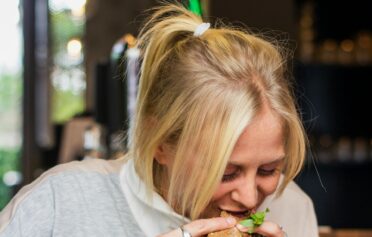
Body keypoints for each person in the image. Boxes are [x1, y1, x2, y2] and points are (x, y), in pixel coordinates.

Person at [0, 3, 318, 237]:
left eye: (268, 170)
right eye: (226, 173)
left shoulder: (292, 207)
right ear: (159, 143)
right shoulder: (62, 203)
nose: (250, 197)